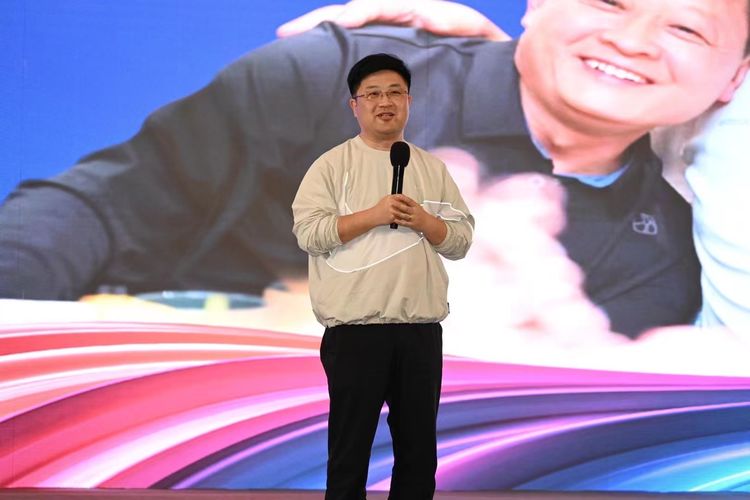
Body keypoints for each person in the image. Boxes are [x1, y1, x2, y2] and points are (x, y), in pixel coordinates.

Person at [2, 0, 748, 338]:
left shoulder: (673, 254)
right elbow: (97, 211)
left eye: (686, 27)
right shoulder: (341, 78)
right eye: (608, 1)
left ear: (732, 80)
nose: (634, 40)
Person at [292, 53, 473, 500]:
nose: (384, 102)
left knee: (418, 454)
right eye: (372, 94)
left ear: (409, 101)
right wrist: (373, 215)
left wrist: (425, 222)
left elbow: (460, 241)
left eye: (395, 92)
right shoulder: (331, 165)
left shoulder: (432, 168)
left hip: (419, 332)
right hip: (355, 333)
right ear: (355, 106)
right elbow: (309, 234)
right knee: (350, 452)